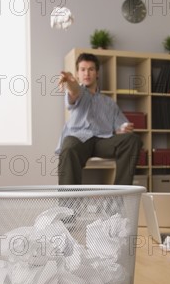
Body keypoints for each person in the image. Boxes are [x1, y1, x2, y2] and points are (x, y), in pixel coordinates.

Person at [56, 53, 142, 185]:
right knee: (68, 147)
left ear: (97, 73)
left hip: (103, 141)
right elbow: (73, 91)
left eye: (91, 69)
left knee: (133, 140)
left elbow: (120, 127)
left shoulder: (109, 102)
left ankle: (120, 195)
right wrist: (70, 82)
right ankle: (69, 204)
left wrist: (122, 129)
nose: (86, 73)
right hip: (79, 139)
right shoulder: (79, 93)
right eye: (83, 69)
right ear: (77, 74)